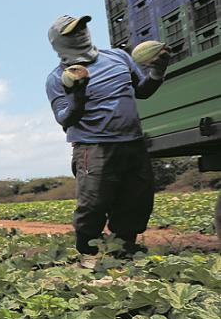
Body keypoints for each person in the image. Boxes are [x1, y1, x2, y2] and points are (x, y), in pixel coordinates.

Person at [45, 15, 170, 256]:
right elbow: (64, 118)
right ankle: (87, 252)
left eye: (83, 27)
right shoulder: (57, 78)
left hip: (133, 142)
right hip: (93, 147)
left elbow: (141, 91)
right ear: (59, 42)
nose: (81, 32)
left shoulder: (118, 57)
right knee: (93, 203)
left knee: (136, 199)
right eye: (72, 32)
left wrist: (157, 72)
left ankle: (124, 248)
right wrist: (77, 98)